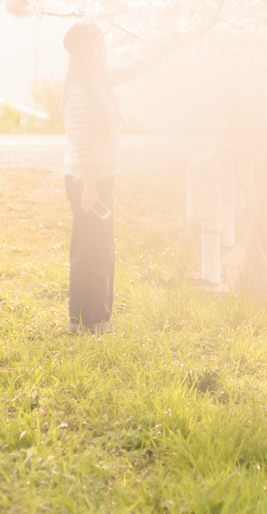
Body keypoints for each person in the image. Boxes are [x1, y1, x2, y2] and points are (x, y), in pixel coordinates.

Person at [62, 21, 179, 334]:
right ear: (88, 52)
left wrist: (165, 48)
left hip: (100, 181)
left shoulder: (99, 81)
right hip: (89, 183)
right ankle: (86, 322)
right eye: (100, 45)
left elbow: (135, 69)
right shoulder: (78, 92)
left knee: (101, 250)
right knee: (90, 252)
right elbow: (79, 144)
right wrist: (87, 187)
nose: (106, 50)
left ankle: (96, 320)